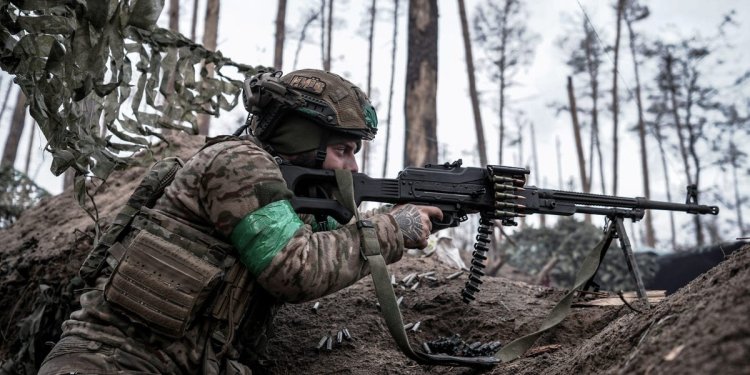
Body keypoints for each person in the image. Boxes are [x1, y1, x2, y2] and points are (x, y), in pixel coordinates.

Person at [38, 69, 443, 374]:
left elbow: (334, 246)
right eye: (342, 149)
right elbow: (296, 269)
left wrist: (421, 215)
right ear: (300, 139)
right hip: (110, 361)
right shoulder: (238, 164)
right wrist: (394, 229)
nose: (352, 165)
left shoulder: (279, 193)